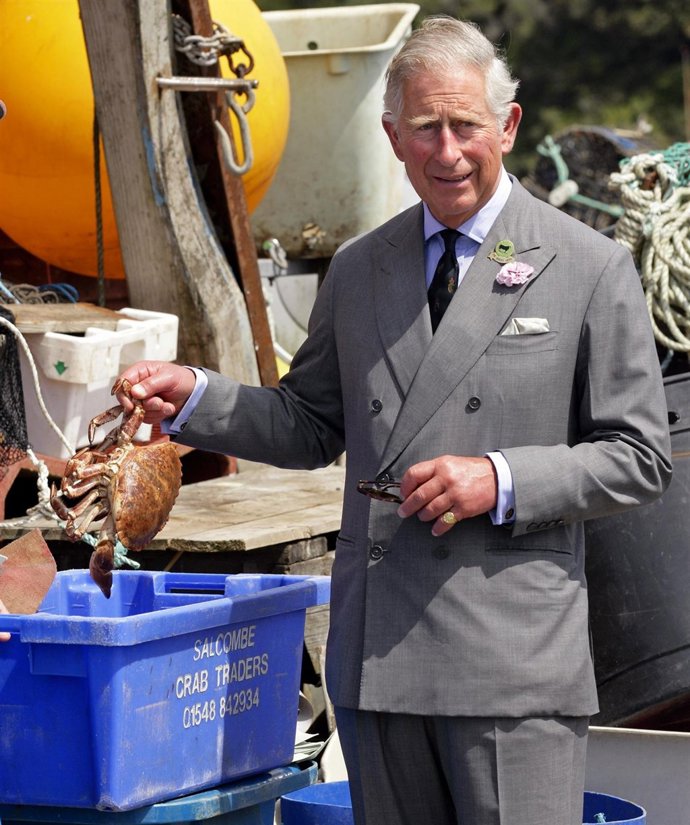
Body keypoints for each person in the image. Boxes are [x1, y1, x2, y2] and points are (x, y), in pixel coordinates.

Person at [114, 16, 672, 825]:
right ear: (392, 136)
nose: (447, 151)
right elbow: (308, 424)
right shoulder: (359, 268)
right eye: (425, 129)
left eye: (465, 126)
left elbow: (640, 456)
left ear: (507, 126)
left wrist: (500, 479)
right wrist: (196, 396)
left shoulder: (589, 266)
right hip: (381, 658)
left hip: (512, 669)